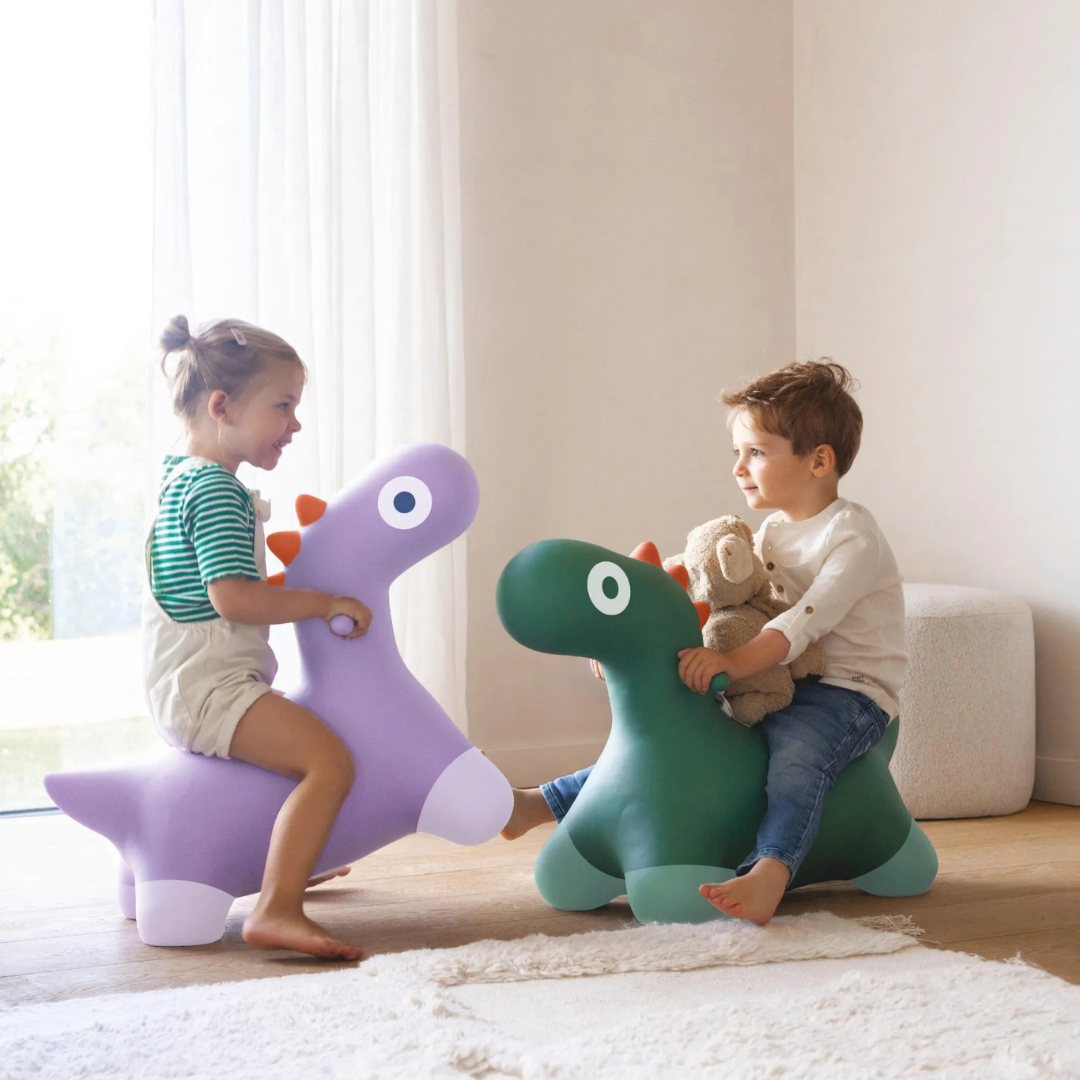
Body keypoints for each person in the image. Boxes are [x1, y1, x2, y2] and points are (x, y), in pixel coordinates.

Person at [501, 360, 906, 926]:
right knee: (680, 747)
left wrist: (732, 663)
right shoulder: (773, 531)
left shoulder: (853, 538)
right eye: (737, 452)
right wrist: (631, 636)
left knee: (796, 757)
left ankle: (771, 870)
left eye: (756, 453)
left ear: (819, 461)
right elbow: (719, 586)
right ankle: (543, 802)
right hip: (784, 679)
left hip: (850, 693)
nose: (739, 468)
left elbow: (800, 625)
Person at [145, 314, 371, 960]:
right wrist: (323, 602)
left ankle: (292, 862)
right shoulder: (216, 490)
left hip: (189, 686)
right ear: (222, 407)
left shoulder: (180, 478)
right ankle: (276, 907)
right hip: (211, 690)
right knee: (330, 761)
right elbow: (235, 598)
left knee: (302, 742)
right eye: (283, 406)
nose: (294, 425)